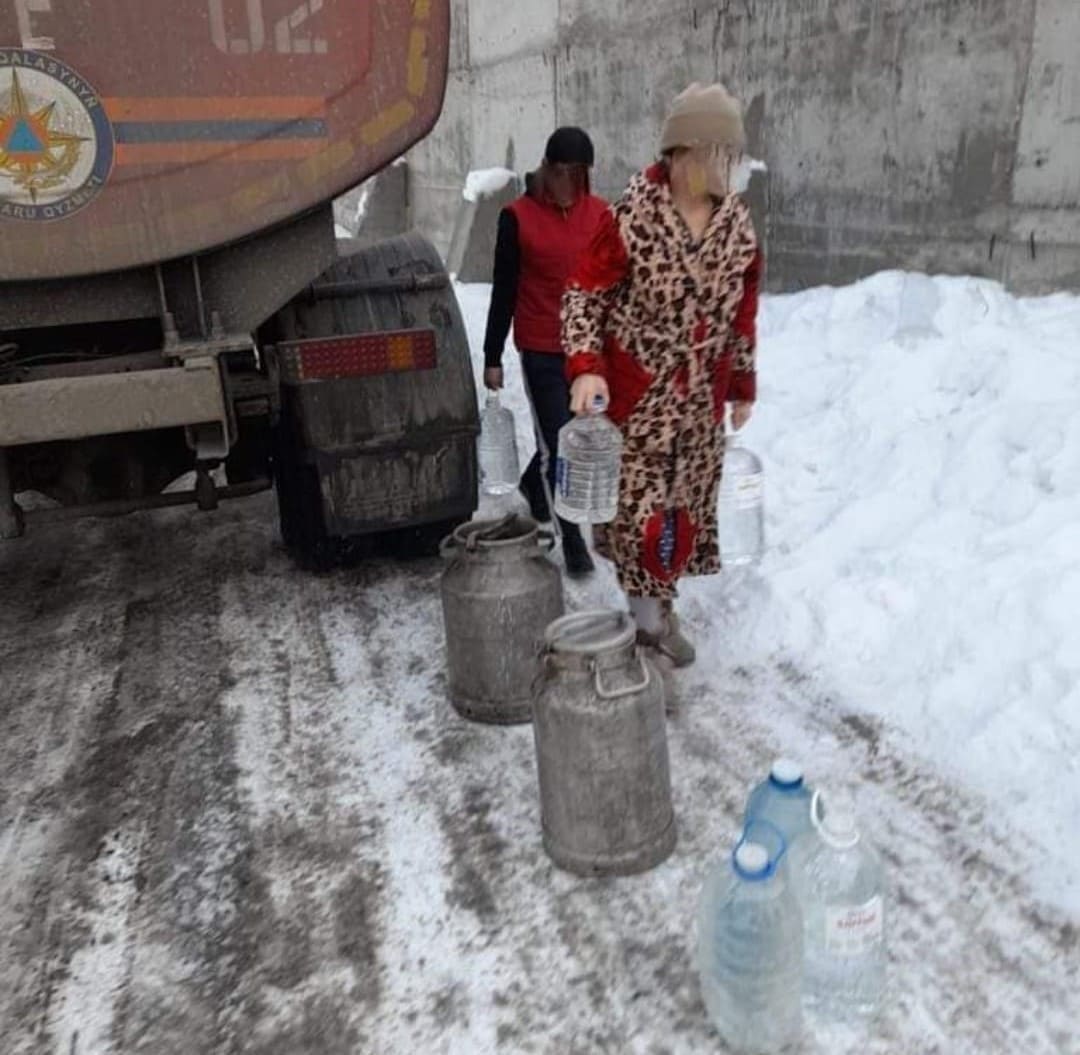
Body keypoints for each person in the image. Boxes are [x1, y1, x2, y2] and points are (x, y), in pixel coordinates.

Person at [560, 83, 762, 664]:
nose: (726, 167)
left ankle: (658, 611)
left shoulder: (737, 227)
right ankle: (647, 636)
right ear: (682, 154)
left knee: (679, 522)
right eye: (715, 154)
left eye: (731, 155)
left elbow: (742, 314)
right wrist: (586, 369)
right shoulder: (631, 220)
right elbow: (583, 298)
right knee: (644, 525)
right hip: (638, 407)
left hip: (698, 412)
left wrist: (742, 386)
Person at [482, 127, 609, 577]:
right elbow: (504, 290)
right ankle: (572, 539)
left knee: (578, 431)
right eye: (564, 173)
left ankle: (533, 488)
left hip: (588, 350)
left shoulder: (599, 214)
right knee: (559, 441)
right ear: (548, 170)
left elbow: (613, 280)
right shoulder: (516, 218)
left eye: (581, 174)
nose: (571, 183)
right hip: (540, 348)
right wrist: (492, 355)